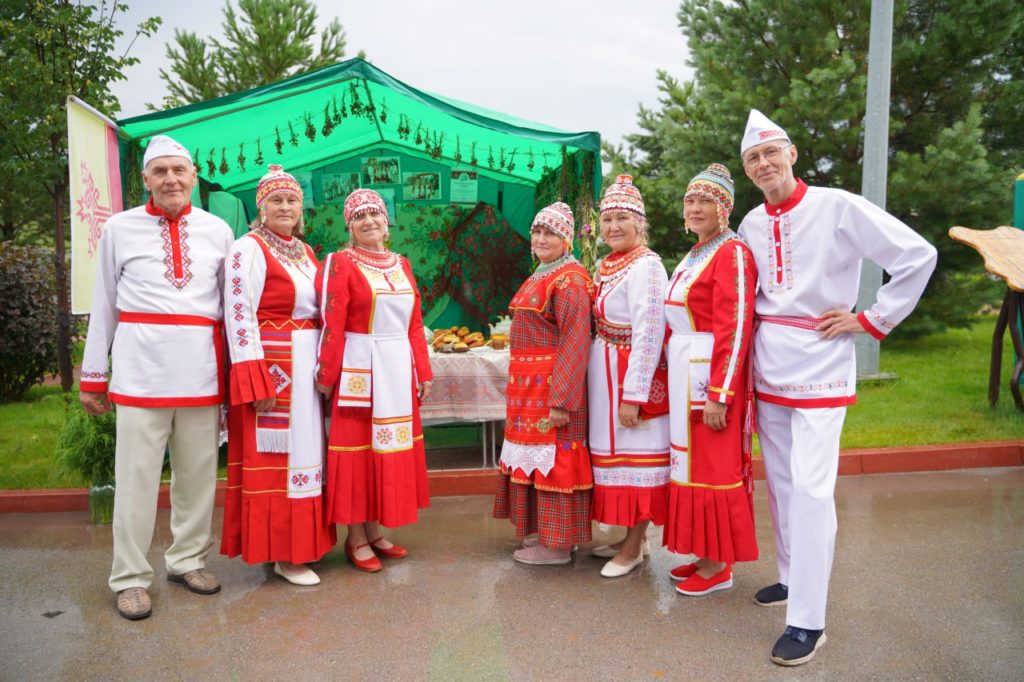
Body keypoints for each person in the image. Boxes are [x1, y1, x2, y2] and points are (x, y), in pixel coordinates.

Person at [736, 109, 937, 665]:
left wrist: (871, 319)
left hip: (821, 361)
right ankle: (790, 575)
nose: (764, 164)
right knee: (778, 481)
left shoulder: (837, 205)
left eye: (771, 153)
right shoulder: (752, 223)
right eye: (753, 158)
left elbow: (918, 254)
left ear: (792, 154)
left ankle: (808, 621)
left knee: (812, 489)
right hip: (769, 362)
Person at [79, 135, 234, 620]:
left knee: (197, 477)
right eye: (160, 171)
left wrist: (239, 374)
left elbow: (234, 308)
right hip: (140, 372)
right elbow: (103, 302)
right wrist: (93, 374)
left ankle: (187, 560)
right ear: (144, 178)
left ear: (193, 176)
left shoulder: (218, 230)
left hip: (202, 373)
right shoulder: (119, 229)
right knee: (135, 480)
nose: (171, 179)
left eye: (179, 170)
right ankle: (129, 577)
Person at [220, 165, 336, 585]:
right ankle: (285, 554)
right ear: (261, 207)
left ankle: (301, 546)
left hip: (306, 366)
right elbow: (239, 315)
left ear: (301, 209)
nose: (285, 206)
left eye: (292, 200)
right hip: (275, 365)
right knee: (279, 459)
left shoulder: (305, 252)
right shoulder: (247, 248)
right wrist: (254, 377)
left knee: (307, 454)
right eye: (277, 200)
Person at [314, 188, 433, 572]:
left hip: (397, 369)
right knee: (357, 455)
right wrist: (327, 376)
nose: (368, 221)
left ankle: (375, 528)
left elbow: (415, 323)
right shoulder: (341, 263)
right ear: (350, 226)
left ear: (387, 221)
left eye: (374, 214)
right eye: (359, 216)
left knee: (384, 451)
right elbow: (332, 324)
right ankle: (356, 537)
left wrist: (423, 369)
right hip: (359, 368)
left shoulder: (402, 263)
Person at [661, 164, 759, 596]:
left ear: (725, 208)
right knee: (691, 465)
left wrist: (720, 394)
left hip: (711, 377)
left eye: (706, 201)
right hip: (687, 370)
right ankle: (704, 554)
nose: (696, 208)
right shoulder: (697, 252)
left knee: (714, 468)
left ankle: (721, 565)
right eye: (690, 200)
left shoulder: (732, 252)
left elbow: (734, 325)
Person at [493, 202, 595, 565]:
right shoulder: (542, 273)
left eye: (550, 233)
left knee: (556, 462)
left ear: (567, 239)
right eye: (537, 231)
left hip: (552, 389)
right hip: (529, 391)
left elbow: (574, 340)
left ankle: (557, 547)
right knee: (538, 463)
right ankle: (549, 535)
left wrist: (562, 400)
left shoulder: (570, 279)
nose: (540, 238)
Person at [588, 175, 671, 578]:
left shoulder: (647, 266)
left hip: (629, 374)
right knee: (615, 461)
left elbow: (650, 331)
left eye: (622, 218)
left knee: (638, 463)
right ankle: (630, 538)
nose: (613, 227)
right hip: (604, 370)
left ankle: (635, 547)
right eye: (607, 220)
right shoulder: (607, 265)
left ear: (640, 224)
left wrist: (633, 394)